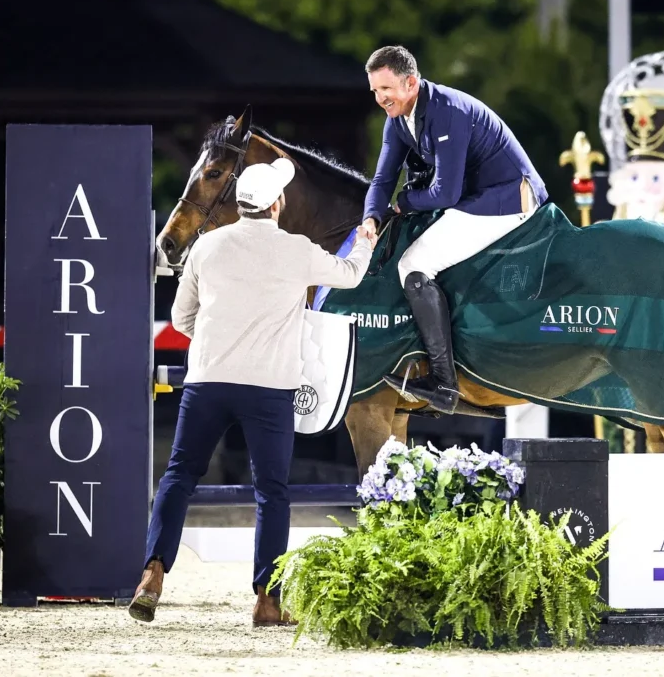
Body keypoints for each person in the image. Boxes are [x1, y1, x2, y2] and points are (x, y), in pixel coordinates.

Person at [128, 157, 376, 626]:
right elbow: (350, 274)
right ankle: (267, 599)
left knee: (179, 476)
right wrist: (364, 241)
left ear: (241, 203)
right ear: (277, 204)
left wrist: (218, 338)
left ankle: (153, 572)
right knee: (272, 491)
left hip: (208, 380)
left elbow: (181, 319)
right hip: (269, 387)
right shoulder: (297, 249)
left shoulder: (207, 246)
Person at [361, 45, 549, 414]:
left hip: (507, 197)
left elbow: (444, 194)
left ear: (411, 82)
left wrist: (402, 203)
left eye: (386, 89)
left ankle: (444, 383)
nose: (381, 98)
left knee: (413, 265)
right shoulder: (398, 117)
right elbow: (382, 179)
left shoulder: (447, 111)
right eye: (375, 91)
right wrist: (370, 218)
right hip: (476, 197)